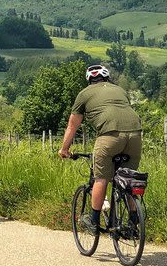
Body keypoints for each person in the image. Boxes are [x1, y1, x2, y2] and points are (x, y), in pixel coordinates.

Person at [59, 64, 142, 235]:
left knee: (101, 178)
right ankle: (134, 222)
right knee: (128, 179)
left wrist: (64, 149)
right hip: (135, 135)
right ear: (107, 78)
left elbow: (72, 125)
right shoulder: (119, 90)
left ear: (89, 79)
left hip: (109, 135)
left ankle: (94, 221)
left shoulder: (84, 94)